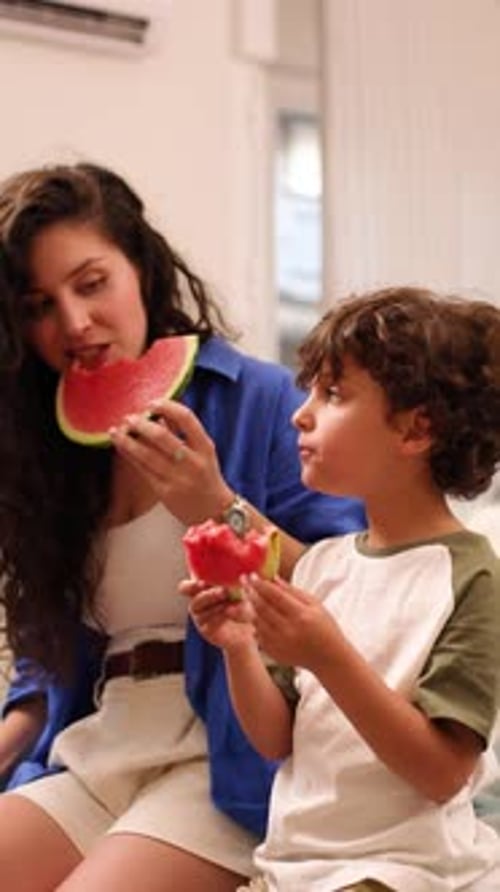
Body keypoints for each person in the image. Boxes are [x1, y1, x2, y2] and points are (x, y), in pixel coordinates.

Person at [0, 162, 365, 892]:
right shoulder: (53, 448)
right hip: (104, 737)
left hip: (223, 749)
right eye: (41, 304)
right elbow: (54, 651)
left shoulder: (261, 398)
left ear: (139, 264)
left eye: (92, 282)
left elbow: (355, 583)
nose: (73, 323)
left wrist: (217, 504)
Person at [185, 287, 500, 892]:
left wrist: (328, 655)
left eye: (333, 394)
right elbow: (276, 738)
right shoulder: (324, 565)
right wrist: (238, 646)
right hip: (291, 867)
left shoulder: (470, 575)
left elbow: (442, 774)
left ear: (415, 430)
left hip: (400, 870)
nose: (300, 414)